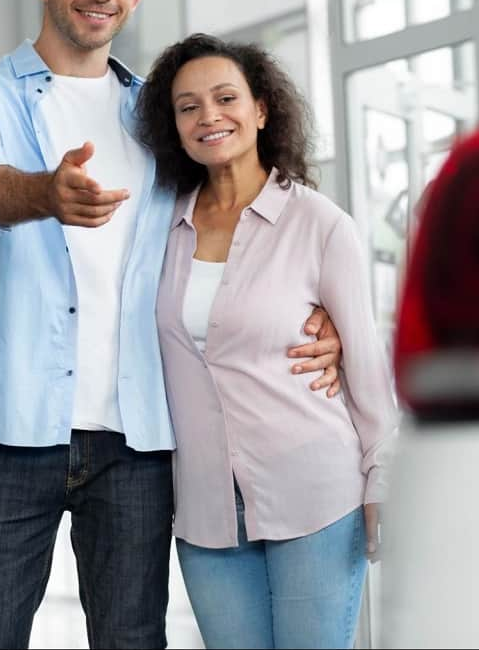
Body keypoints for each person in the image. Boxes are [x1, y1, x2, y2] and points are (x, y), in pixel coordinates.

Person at [0, 0, 344, 650]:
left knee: (131, 640)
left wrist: (321, 316)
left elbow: (237, 214)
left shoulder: (159, 111)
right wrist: (43, 194)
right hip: (8, 428)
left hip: (139, 440)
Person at [136, 33, 399, 649]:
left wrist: (382, 476)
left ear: (261, 110)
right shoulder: (158, 229)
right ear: (173, 126)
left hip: (315, 495)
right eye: (189, 106)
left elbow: (363, 362)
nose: (210, 117)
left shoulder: (319, 224)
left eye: (226, 98)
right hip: (204, 512)